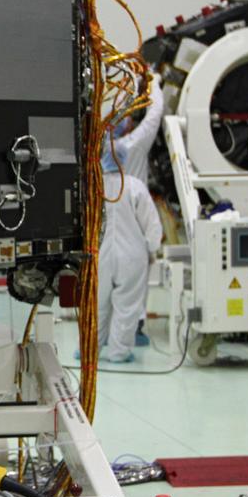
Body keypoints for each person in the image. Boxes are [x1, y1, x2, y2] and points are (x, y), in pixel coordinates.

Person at [96, 140, 163, 363]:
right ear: (124, 160)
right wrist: (153, 248)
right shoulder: (135, 186)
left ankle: (89, 349)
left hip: (99, 256)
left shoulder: (94, 187)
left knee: (97, 305)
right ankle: (119, 352)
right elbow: (152, 224)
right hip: (132, 257)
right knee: (127, 307)